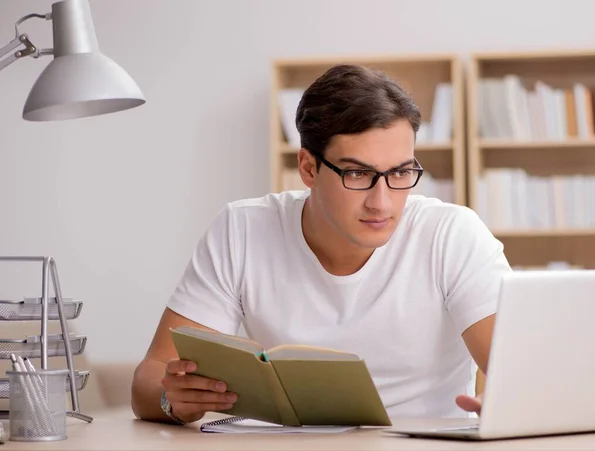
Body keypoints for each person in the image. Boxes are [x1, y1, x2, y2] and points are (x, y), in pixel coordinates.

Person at [131, 64, 512, 425]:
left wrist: (517, 401)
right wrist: (172, 400)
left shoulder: (451, 235)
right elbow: (150, 377)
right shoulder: (242, 230)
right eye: (358, 173)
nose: (382, 201)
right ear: (308, 168)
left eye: (399, 173)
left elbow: (517, 371)